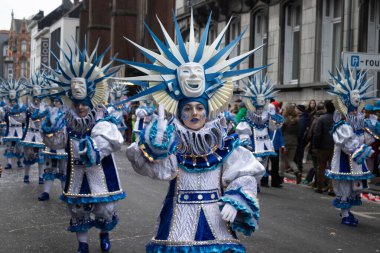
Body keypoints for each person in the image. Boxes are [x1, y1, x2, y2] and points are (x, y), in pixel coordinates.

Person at [123, 10, 265, 252]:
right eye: (188, 108)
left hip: (216, 220)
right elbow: (153, 168)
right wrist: (154, 145)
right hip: (178, 218)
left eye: (200, 107)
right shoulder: (173, 140)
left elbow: (245, 173)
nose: (195, 113)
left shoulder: (223, 141)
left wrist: (236, 199)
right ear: (179, 112)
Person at [46, 39, 125, 253]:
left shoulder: (102, 119)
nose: (81, 108)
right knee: (77, 209)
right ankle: (82, 243)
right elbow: (58, 142)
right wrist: (49, 130)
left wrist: (95, 147)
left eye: (84, 103)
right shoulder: (67, 121)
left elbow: (115, 142)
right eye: (77, 103)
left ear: (91, 101)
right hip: (77, 175)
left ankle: (104, 232)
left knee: (105, 209)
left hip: (100, 175)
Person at [325, 63, 375, 226]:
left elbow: (365, 138)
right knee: (345, 187)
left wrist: (371, 133)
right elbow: (345, 142)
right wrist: (360, 150)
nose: (357, 97)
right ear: (346, 98)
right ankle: (345, 213)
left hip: (356, 162)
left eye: (359, 94)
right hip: (344, 161)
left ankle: (347, 212)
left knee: (356, 188)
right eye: (354, 95)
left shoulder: (360, 119)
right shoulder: (341, 123)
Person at [236, 76, 283, 187]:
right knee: (253, 164)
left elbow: (273, 127)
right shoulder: (249, 114)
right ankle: (252, 184)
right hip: (253, 142)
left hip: (265, 143)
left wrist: (274, 118)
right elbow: (244, 127)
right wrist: (245, 139)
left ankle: (257, 183)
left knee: (262, 164)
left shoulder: (267, 113)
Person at [38, 83, 68, 201]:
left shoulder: (67, 113)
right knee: (49, 168)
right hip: (51, 145)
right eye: (54, 101)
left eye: (57, 101)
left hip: (63, 146)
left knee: (64, 170)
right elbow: (42, 124)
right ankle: (46, 192)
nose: (55, 103)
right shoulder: (49, 112)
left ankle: (65, 193)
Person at [19, 71, 49, 184]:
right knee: (28, 156)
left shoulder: (44, 107)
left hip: (40, 135)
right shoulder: (29, 107)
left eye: (38, 98)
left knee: (41, 158)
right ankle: (26, 175)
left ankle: (41, 177)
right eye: (35, 97)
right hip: (30, 134)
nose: (36, 100)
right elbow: (32, 117)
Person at [0, 79, 26, 170]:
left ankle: (20, 161)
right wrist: (5, 114)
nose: (12, 103)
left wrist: (14, 111)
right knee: (9, 147)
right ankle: (9, 163)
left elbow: (23, 118)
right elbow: (3, 118)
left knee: (20, 147)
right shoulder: (6, 108)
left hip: (19, 129)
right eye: (11, 101)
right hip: (10, 129)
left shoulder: (21, 107)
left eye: (14, 101)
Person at [313, 101, 335, 194]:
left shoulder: (321, 119)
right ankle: (332, 188)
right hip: (334, 146)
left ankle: (320, 187)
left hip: (322, 146)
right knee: (332, 167)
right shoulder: (337, 119)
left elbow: (317, 134)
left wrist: (316, 145)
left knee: (321, 167)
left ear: (326, 108)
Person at [281, 103, 301, 183]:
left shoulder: (284, 120)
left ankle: (281, 175)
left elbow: (281, 131)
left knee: (281, 160)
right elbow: (299, 132)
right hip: (294, 142)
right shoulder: (297, 120)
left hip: (284, 142)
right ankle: (297, 172)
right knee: (290, 160)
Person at [294, 104, 309, 182]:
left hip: (300, 140)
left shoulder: (303, 119)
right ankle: (297, 169)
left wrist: (298, 138)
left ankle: (299, 169)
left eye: (296, 109)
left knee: (299, 155)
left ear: (299, 110)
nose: (295, 110)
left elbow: (301, 130)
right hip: (299, 140)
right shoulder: (301, 117)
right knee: (298, 155)